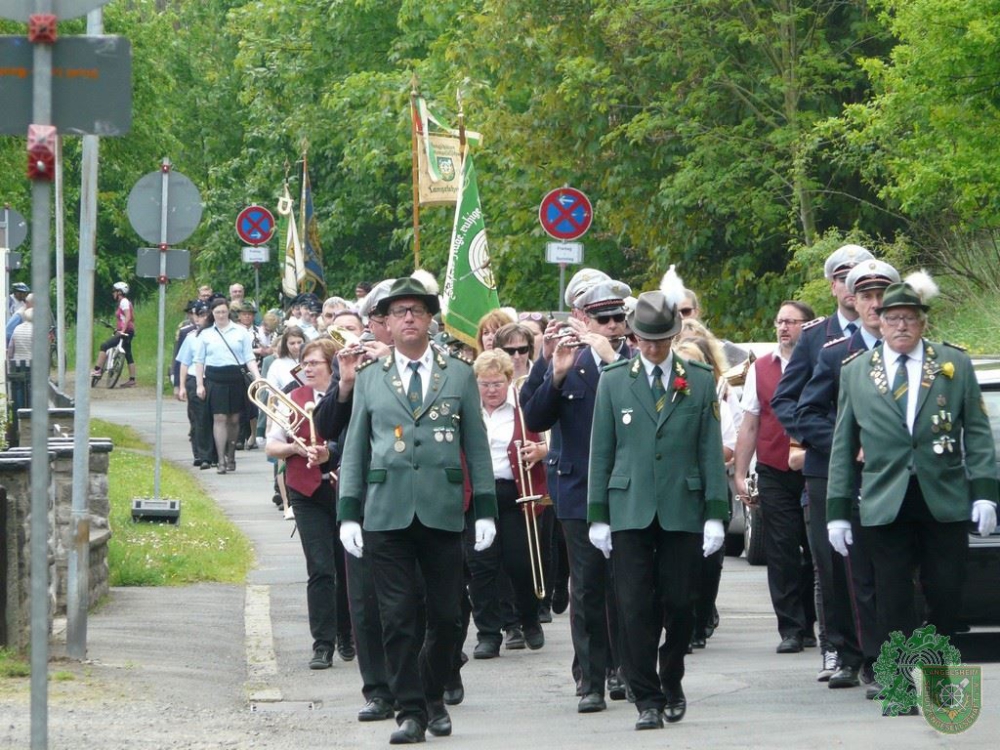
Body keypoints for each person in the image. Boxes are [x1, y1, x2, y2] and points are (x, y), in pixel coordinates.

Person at [826, 273, 998, 713]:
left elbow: (977, 434)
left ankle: (939, 680)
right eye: (893, 318)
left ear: (923, 323)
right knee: (893, 596)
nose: (901, 326)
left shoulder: (953, 365)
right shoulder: (856, 371)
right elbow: (844, 444)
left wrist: (983, 494)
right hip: (886, 498)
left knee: (945, 591)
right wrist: (838, 510)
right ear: (879, 323)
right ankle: (900, 684)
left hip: (941, 495)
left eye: (910, 318)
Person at [337, 275, 498, 744]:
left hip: (442, 510)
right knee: (398, 616)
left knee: (447, 616)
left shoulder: (459, 374)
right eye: (399, 311)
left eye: (417, 310)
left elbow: (477, 447)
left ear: (430, 319)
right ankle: (411, 710)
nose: (408, 318)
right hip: (386, 512)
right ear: (385, 323)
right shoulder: (370, 380)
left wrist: (485, 509)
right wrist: (349, 512)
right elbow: (355, 453)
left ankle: (432, 695)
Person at [587, 273, 729, 731]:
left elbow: (709, 449)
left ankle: (672, 678)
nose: (653, 348)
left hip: (681, 507)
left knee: (681, 603)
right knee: (632, 605)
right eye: (645, 340)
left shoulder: (700, 380)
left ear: (674, 336)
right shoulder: (613, 381)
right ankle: (646, 696)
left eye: (662, 339)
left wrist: (714, 512)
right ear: (632, 337)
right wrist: (597, 516)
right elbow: (602, 451)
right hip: (629, 507)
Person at [521, 277, 632, 714]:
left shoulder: (639, 357)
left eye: (617, 318)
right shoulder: (570, 358)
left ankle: (626, 666)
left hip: (629, 488)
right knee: (586, 586)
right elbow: (534, 414)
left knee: (629, 584)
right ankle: (591, 678)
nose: (611, 327)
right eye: (602, 319)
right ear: (584, 319)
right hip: (578, 488)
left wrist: (613, 360)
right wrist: (555, 370)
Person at [770, 243, 874, 688]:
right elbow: (787, 400)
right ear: (833, 285)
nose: (853, 285)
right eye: (844, 276)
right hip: (828, 464)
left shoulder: (890, 328)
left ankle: (881, 654)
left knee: (882, 563)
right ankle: (842, 651)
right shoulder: (816, 338)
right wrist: (837, 441)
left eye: (862, 275)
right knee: (833, 563)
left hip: (883, 468)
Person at [796, 260, 899, 692]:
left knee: (904, 576)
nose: (876, 304)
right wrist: (847, 441)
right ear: (853, 301)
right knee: (863, 577)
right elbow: (806, 412)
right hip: (858, 482)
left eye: (884, 295)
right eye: (868, 296)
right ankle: (875, 662)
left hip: (907, 483)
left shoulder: (921, 352)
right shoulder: (837, 353)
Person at [734, 300, 818, 658]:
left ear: (808, 327)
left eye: (792, 322)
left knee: (814, 548)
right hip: (773, 468)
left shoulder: (821, 363)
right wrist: (740, 472)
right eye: (780, 322)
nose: (784, 328)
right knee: (782, 550)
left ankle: (816, 621)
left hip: (812, 467)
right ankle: (791, 628)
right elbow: (750, 422)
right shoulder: (761, 369)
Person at [465, 349, 548, 658]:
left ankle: (529, 620)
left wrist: (540, 450)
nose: (491, 390)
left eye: (497, 383)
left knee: (520, 563)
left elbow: (550, 438)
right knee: (481, 566)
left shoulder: (523, 407)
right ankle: (488, 633)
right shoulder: (468, 410)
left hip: (516, 493)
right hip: (477, 497)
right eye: (485, 384)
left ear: (508, 380)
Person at [265, 338, 341, 670]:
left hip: (342, 490)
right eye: (304, 363)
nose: (308, 369)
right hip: (306, 492)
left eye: (315, 363)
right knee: (321, 569)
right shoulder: (291, 399)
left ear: (331, 366)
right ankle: (323, 643)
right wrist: (295, 449)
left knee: (348, 567)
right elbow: (271, 446)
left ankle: (349, 634)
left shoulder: (344, 398)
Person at [193, 297, 261, 474]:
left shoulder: (240, 332)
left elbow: (249, 357)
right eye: (217, 312)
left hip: (235, 378)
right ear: (212, 314)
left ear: (228, 312)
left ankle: (231, 455)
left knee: (234, 419)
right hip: (215, 379)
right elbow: (199, 361)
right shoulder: (206, 334)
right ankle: (221, 459)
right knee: (219, 418)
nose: (221, 315)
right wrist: (200, 384)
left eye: (223, 312)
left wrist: (258, 377)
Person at [176, 302, 216, 469]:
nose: (203, 319)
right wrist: (181, 386)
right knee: (198, 418)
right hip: (194, 378)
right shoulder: (192, 337)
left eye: (206, 315)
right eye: (200, 315)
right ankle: (201, 454)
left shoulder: (216, 335)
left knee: (214, 418)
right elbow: (184, 363)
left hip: (213, 378)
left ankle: (214, 454)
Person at [92, 282, 137, 388]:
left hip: (126, 331)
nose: (113, 293)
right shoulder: (127, 302)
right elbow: (132, 318)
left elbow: (128, 317)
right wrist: (120, 328)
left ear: (120, 292)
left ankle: (98, 370)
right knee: (128, 353)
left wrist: (123, 330)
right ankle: (132, 379)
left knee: (104, 345)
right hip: (129, 331)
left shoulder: (123, 302)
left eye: (114, 291)